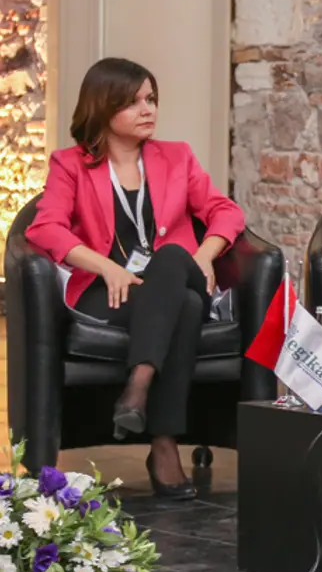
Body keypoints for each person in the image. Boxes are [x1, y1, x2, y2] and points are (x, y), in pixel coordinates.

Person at [25, 58, 245, 500]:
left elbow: (226, 211)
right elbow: (44, 228)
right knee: (181, 306)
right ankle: (163, 443)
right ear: (103, 108)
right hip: (112, 293)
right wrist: (106, 266)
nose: (148, 110)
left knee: (170, 260)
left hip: (176, 272)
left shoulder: (176, 156)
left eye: (151, 99)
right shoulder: (70, 164)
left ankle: (137, 388)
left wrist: (204, 256)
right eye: (133, 102)